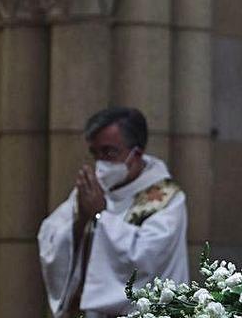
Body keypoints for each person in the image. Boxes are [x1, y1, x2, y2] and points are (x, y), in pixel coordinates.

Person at [38, 107, 189, 318]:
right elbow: (49, 236)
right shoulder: (93, 189)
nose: (101, 162)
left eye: (109, 152)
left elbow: (147, 257)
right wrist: (80, 221)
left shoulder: (166, 200)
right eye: (95, 153)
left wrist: (100, 216)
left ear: (136, 153)